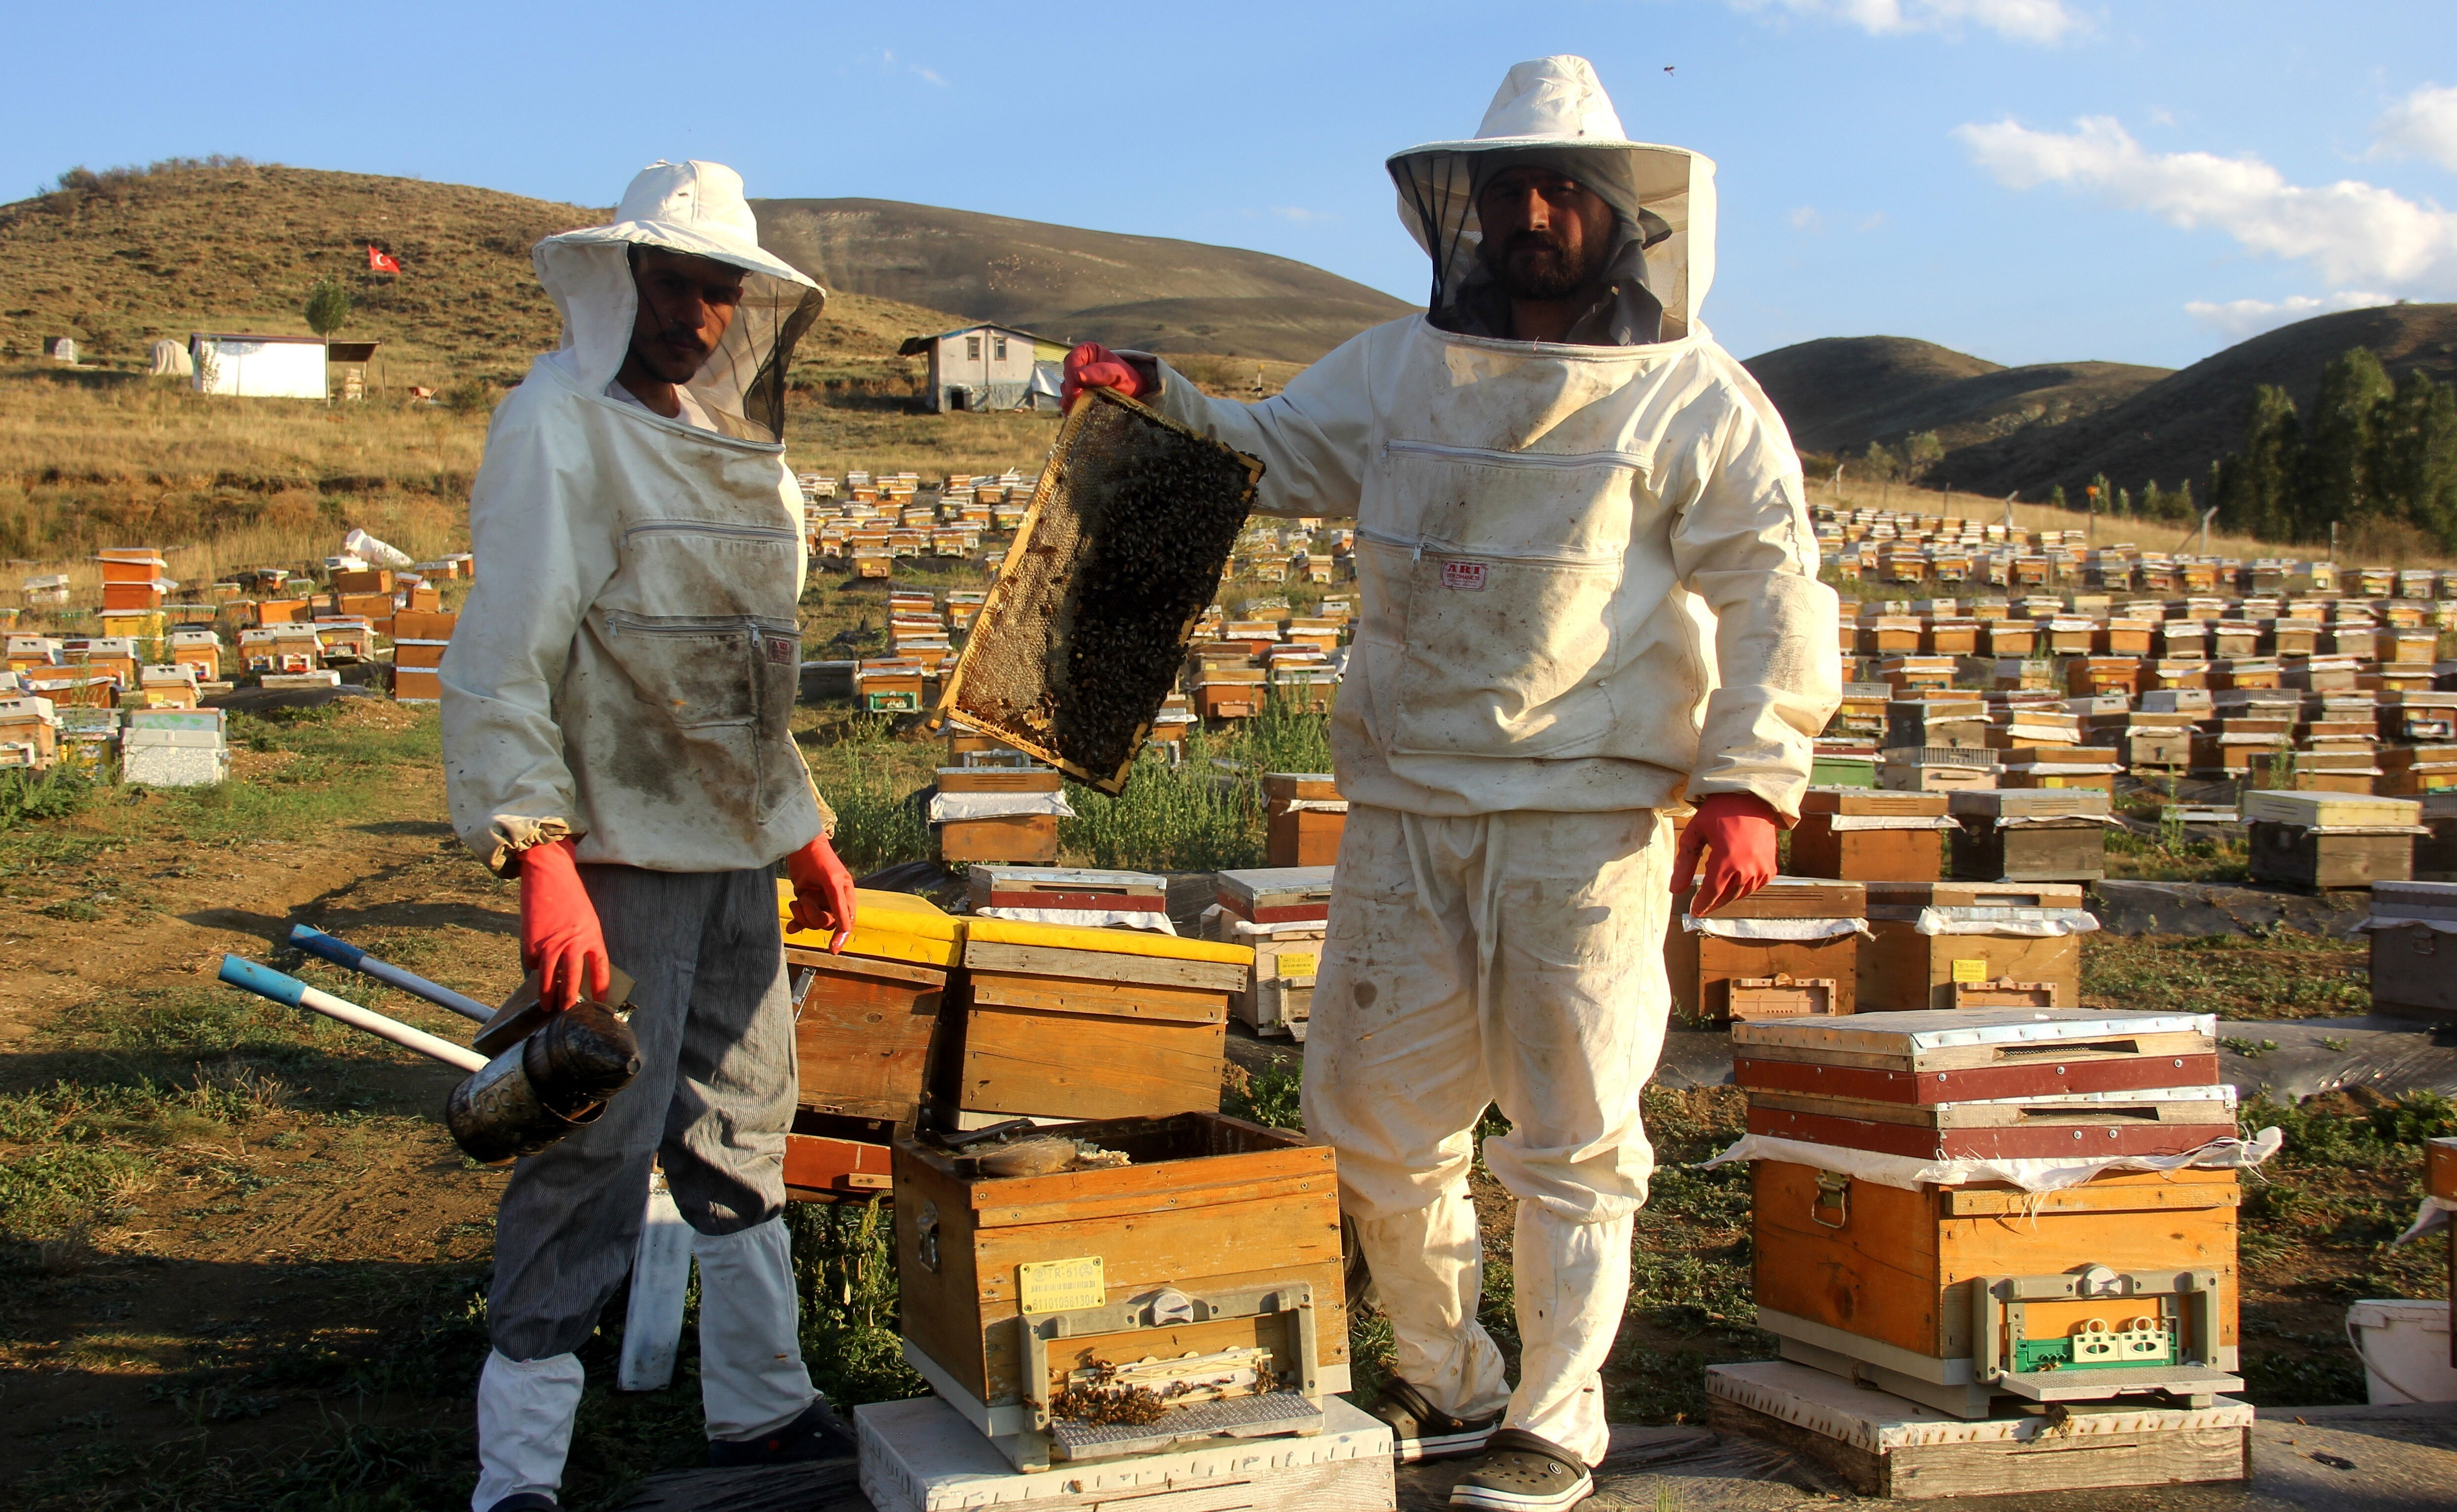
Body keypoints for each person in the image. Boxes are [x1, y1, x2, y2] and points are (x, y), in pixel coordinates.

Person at [1064, 57, 1838, 1512]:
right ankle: (1447, 1372)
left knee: (1572, 1131)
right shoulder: (1397, 367)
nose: (1532, 213)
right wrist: (1154, 395)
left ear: (1620, 214)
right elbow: (1271, 448)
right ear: (1463, 214)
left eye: (1561, 189)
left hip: (1583, 816)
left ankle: (1559, 1416)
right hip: (1409, 803)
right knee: (1368, 1116)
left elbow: (1774, 592)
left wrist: (1750, 776)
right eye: (1506, 191)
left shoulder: (1698, 398)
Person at [441, 159, 861, 1512]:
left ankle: (762, 1411)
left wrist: (800, 832)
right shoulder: (556, 424)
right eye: (676, 284)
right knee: (592, 1152)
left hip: (734, 851)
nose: (699, 315)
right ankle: (517, 1481)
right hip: (616, 854)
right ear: (625, 283)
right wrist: (543, 859)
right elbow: (506, 654)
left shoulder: (737, 448)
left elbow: (748, 671)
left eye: (721, 291)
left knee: (745, 1126)